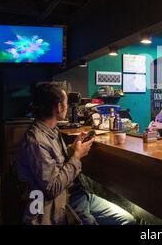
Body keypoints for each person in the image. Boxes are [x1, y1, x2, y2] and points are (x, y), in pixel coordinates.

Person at [17, 83, 136, 225]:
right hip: (62, 202)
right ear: (59, 107)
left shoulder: (52, 129)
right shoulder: (36, 141)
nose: (67, 108)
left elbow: (56, 162)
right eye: (66, 103)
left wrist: (72, 149)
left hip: (78, 194)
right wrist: (77, 156)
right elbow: (51, 189)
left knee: (127, 220)